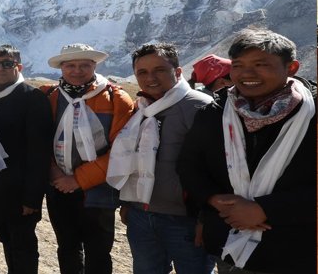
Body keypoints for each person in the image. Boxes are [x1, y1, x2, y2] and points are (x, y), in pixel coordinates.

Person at [177, 29, 315, 274]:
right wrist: (213, 200)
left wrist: (266, 209)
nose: (247, 74)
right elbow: (189, 165)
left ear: (291, 67)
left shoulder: (311, 113)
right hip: (230, 242)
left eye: (260, 64)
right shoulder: (215, 112)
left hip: (298, 250)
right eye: (238, 65)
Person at [106, 43, 213, 274]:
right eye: (142, 72)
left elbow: (216, 167)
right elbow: (133, 158)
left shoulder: (198, 107)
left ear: (177, 72)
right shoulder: (142, 108)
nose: (150, 78)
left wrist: (207, 218)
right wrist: (128, 204)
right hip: (141, 216)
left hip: (186, 219)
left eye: (159, 70)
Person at [43, 43, 134, 274]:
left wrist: (77, 180)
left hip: (99, 191)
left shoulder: (117, 99)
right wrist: (54, 172)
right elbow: (39, 139)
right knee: (67, 247)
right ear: (61, 68)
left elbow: (121, 150)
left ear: (94, 65)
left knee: (99, 251)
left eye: (84, 65)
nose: (77, 71)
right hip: (59, 188)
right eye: (70, 65)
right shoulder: (49, 97)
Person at [0, 45, 52, 274]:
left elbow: (39, 152)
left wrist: (32, 197)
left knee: (23, 245)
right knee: (6, 239)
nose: (0, 68)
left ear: (19, 67)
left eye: (7, 63)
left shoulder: (33, 98)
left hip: (20, 191)